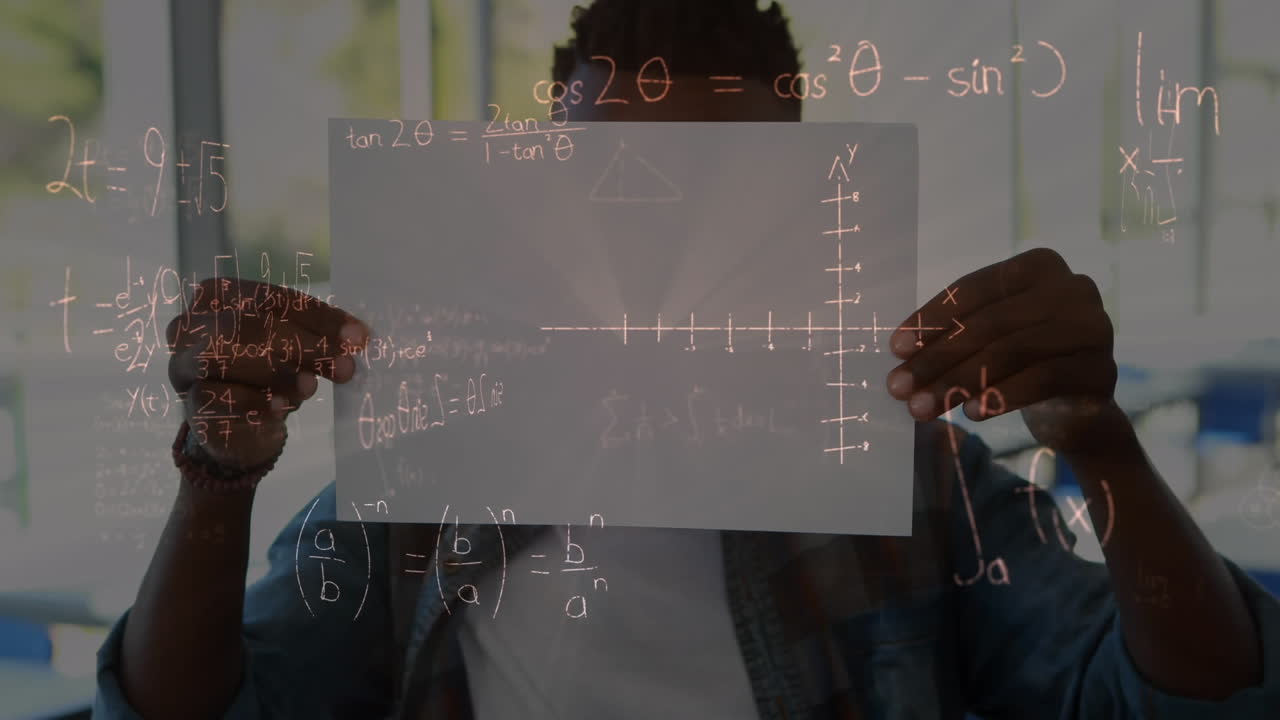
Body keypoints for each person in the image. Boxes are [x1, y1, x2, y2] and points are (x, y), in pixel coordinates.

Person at [95, 1, 1278, 718]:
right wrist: (217, 470)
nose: (655, 237)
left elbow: (1185, 696)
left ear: (806, 199)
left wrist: (1102, 448)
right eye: (604, 186)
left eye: (724, 190)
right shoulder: (423, 477)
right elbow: (192, 707)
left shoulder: (913, 480)